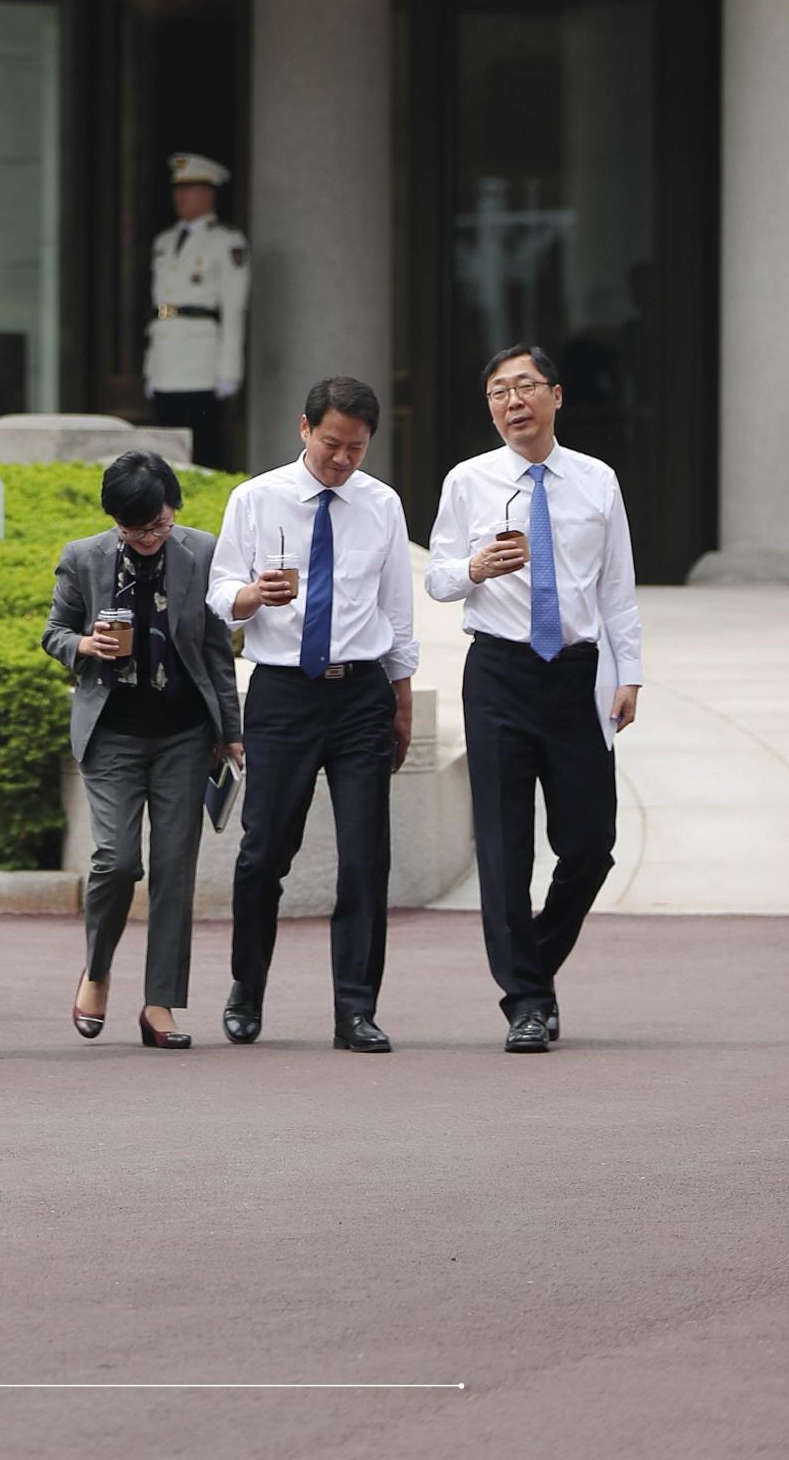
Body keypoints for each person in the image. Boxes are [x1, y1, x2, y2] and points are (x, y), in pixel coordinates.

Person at [427, 342, 642, 1054]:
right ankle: (526, 1000)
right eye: (496, 392)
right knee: (503, 846)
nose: (510, 401)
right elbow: (436, 577)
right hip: (497, 674)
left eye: (523, 386)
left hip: (577, 675)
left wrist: (630, 672)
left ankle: (534, 966)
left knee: (591, 845)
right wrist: (474, 566)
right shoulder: (468, 480)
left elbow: (617, 587)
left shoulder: (596, 480)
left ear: (555, 396)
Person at [207, 377, 417, 1054]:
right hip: (282, 692)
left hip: (361, 693)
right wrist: (248, 596)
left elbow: (398, 610)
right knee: (265, 851)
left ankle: (356, 1009)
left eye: (356, 448)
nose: (343, 460)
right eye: (332, 444)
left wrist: (401, 697)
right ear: (304, 429)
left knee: (365, 857)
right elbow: (216, 596)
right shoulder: (255, 498)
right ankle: (246, 989)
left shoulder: (382, 504)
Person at [44, 449, 241, 1050]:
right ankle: (97, 969)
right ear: (116, 522)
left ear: (174, 510)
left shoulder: (202, 553)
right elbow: (53, 634)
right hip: (112, 733)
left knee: (176, 872)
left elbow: (216, 650)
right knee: (117, 860)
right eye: (136, 529)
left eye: (160, 524)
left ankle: (160, 1004)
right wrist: (84, 646)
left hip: (184, 734)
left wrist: (231, 732)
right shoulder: (85, 558)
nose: (151, 537)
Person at [143, 151, 249, 468]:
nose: (180, 196)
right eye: (178, 189)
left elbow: (234, 308)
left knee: (203, 449)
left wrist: (229, 370)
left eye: (189, 189)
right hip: (166, 357)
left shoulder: (225, 242)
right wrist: (151, 367)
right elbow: (160, 308)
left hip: (202, 361)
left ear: (208, 193)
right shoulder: (164, 240)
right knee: (166, 450)